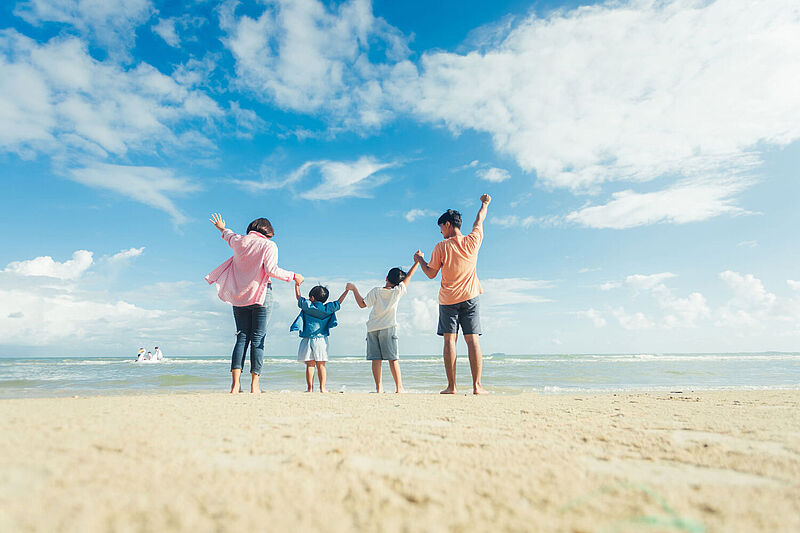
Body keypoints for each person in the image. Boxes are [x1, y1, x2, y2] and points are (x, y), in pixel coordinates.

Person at [206, 213, 304, 394]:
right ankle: (255, 385)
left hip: (239, 297)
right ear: (267, 233)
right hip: (261, 295)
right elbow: (271, 270)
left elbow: (228, 234)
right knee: (258, 339)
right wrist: (293, 276)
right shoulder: (269, 245)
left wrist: (220, 227)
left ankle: (235, 385)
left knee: (242, 337)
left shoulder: (239, 241)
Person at [414, 194, 491, 395]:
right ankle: (477, 386)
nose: (440, 232)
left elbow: (431, 273)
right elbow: (479, 220)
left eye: (441, 228)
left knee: (450, 340)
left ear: (447, 224)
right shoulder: (473, 240)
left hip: (448, 300)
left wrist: (420, 260)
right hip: (471, 296)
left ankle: (452, 387)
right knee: (472, 339)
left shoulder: (441, 246)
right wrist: (484, 204)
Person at [347, 262, 418, 393]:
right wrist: (417, 262)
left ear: (386, 278)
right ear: (399, 283)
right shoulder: (397, 291)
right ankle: (399, 388)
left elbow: (362, 304)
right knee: (393, 359)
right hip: (388, 328)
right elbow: (409, 276)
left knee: (376, 359)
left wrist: (354, 289)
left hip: (373, 328)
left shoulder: (376, 291)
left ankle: (379, 388)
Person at [290, 282, 349, 393]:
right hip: (321, 340)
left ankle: (310, 389)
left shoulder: (307, 306)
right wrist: (346, 291)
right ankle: (322, 388)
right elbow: (339, 302)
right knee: (321, 364)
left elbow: (298, 297)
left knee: (310, 364)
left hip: (308, 339)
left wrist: (297, 285)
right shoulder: (328, 308)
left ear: (312, 297)